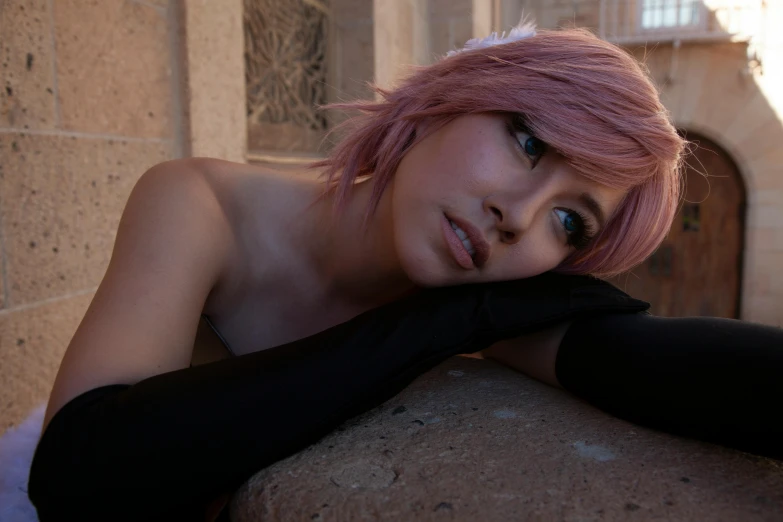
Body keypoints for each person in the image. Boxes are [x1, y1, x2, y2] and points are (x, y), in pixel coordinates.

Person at [27, 23, 783, 522]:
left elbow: (652, 361)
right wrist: (438, 325)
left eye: (568, 221)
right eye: (527, 142)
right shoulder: (203, 205)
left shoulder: (480, 285)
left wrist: (460, 315)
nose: (518, 217)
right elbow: (77, 471)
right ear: (444, 104)